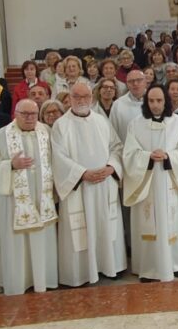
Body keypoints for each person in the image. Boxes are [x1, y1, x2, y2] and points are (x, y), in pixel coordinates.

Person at [50, 84, 127, 287]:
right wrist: (82, 173)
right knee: (80, 231)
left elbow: (116, 147)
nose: (81, 100)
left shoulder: (101, 121)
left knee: (106, 225)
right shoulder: (61, 125)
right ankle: (81, 273)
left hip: (104, 185)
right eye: (76, 96)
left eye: (85, 96)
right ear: (70, 98)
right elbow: (58, 157)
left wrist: (111, 167)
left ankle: (110, 266)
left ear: (92, 97)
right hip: (78, 188)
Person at [122, 85, 178, 282]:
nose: (155, 105)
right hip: (147, 183)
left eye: (159, 101)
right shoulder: (135, 124)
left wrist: (168, 156)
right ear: (146, 102)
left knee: (173, 222)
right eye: (151, 101)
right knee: (148, 223)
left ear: (166, 101)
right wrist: (147, 156)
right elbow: (129, 154)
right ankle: (149, 268)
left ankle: (176, 263)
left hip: (170, 180)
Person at [0, 99, 59, 295]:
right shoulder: (1, 135)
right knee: (16, 244)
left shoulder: (46, 132)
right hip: (13, 202)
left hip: (42, 200)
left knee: (41, 240)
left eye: (33, 114)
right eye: (24, 114)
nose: (29, 118)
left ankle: (43, 280)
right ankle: (18, 282)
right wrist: (10, 165)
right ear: (15, 114)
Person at [109, 70, 148, 144]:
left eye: (139, 80)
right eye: (131, 81)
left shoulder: (155, 100)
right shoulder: (118, 104)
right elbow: (112, 133)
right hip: (126, 149)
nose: (135, 83)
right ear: (127, 84)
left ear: (145, 82)